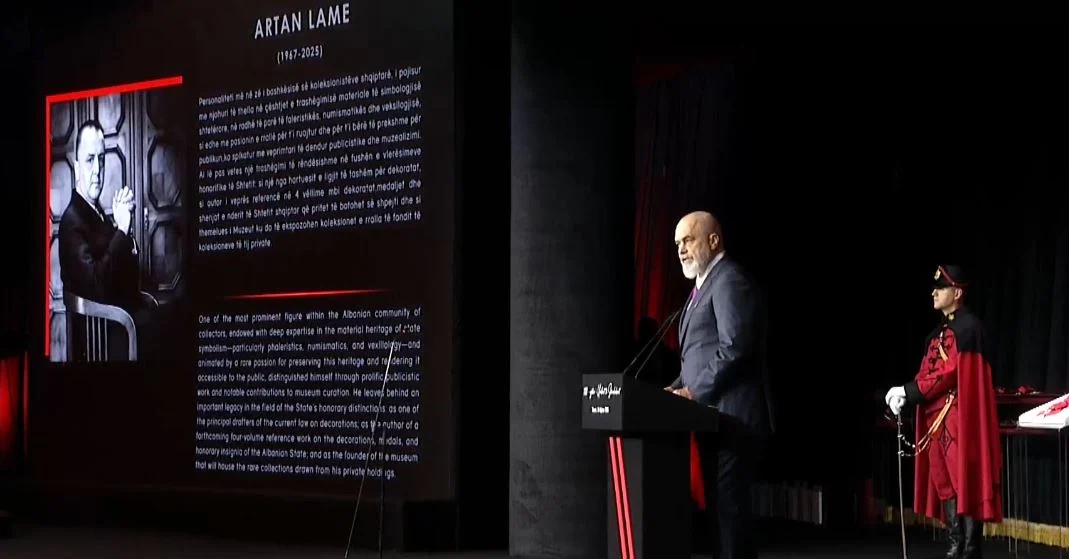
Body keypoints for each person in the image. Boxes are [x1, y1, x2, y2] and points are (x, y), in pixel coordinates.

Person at [666, 210, 774, 559]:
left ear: (713, 240)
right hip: (713, 421)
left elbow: (734, 346)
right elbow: (698, 356)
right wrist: (674, 389)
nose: (681, 249)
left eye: (688, 240)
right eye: (678, 243)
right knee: (720, 519)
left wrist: (693, 391)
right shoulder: (701, 288)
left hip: (733, 420)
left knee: (730, 519)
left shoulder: (728, 280)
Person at [884, 265, 1002, 559]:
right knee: (944, 482)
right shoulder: (937, 334)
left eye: (941, 288)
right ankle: (955, 544)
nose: (933, 293)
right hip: (934, 421)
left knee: (965, 482)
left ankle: (970, 549)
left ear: (957, 292)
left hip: (958, 418)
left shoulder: (969, 329)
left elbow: (947, 374)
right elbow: (928, 372)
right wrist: (905, 397)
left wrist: (907, 391)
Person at [58, 119, 154, 360]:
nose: (97, 170)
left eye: (101, 159)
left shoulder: (96, 213)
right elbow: (98, 288)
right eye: (90, 160)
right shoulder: (72, 221)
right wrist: (121, 229)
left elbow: (127, 277)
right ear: (77, 167)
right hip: (98, 340)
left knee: (166, 315)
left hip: (116, 322)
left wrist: (125, 231)